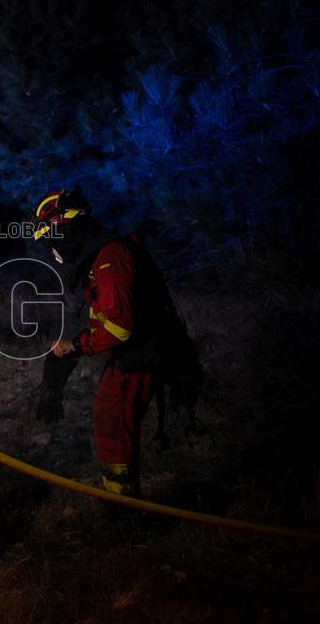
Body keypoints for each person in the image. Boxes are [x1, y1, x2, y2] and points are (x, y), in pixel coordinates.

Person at [32, 189, 203, 497]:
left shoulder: (110, 258)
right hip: (139, 350)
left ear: (69, 227)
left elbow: (118, 328)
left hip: (140, 355)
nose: (53, 247)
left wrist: (77, 346)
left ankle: (123, 509)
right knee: (110, 419)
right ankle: (122, 500)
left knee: (111, 423)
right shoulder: (104, 255)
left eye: (53, 236)